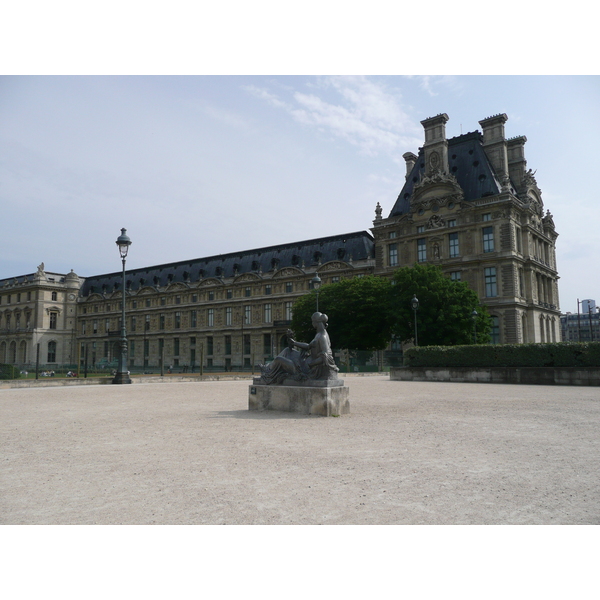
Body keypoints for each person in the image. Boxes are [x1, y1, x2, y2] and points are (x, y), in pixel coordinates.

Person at [259, 313, 339, 384]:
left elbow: (326, 356)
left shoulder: (322, 337)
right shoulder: (319, 334)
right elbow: (308, 346)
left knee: (278, 359)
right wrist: (294, 343)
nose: (312, 323)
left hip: (305, 369)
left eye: (312, 321)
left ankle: (267, 372)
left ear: (316, 322)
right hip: (305, 362)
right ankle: (268, 367)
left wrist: (310, 364)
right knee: (287, 350)